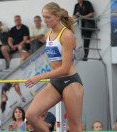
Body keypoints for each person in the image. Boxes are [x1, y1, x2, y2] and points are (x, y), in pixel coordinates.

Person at [25, 2, 84, 132]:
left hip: (70, 82)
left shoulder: (67, 35)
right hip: (55, 83)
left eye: (48, 17)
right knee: (31, 115)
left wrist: (39, 77)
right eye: (43, 17)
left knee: (75, 128)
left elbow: (65, 69)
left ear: (57, 16)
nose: (45, 21)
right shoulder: (48, 35)